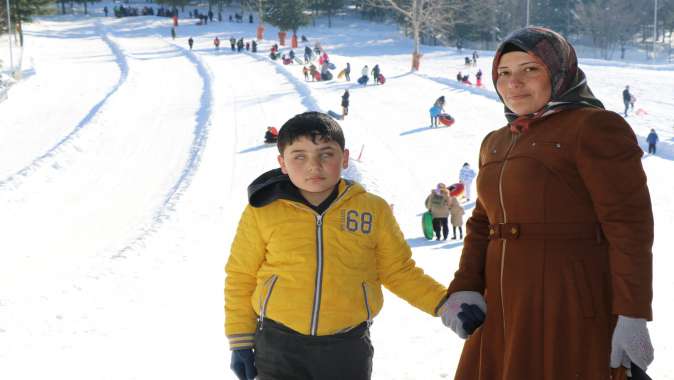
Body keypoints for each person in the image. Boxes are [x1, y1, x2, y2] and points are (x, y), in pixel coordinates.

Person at [438, 27, 654, 380]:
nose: (514, 83)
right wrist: (465, 287)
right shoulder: (496, 141)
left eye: (530, 69)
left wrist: (632, 313)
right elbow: (482, 222)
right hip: (504, 308)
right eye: (504, 73)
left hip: (566, 305)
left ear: (558, 72)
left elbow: (629, 227)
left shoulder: (595, 127)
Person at [226, 112, 448, 380]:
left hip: (347, 348)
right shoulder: (263, 211)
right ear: (282, 163)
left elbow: (399, 271)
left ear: (344, 158)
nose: (313, 166)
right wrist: (240, 339)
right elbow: (241, 276)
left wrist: (445, 303)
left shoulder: (372, 210)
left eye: (326, 154)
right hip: (279, 346)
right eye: (299, 156)